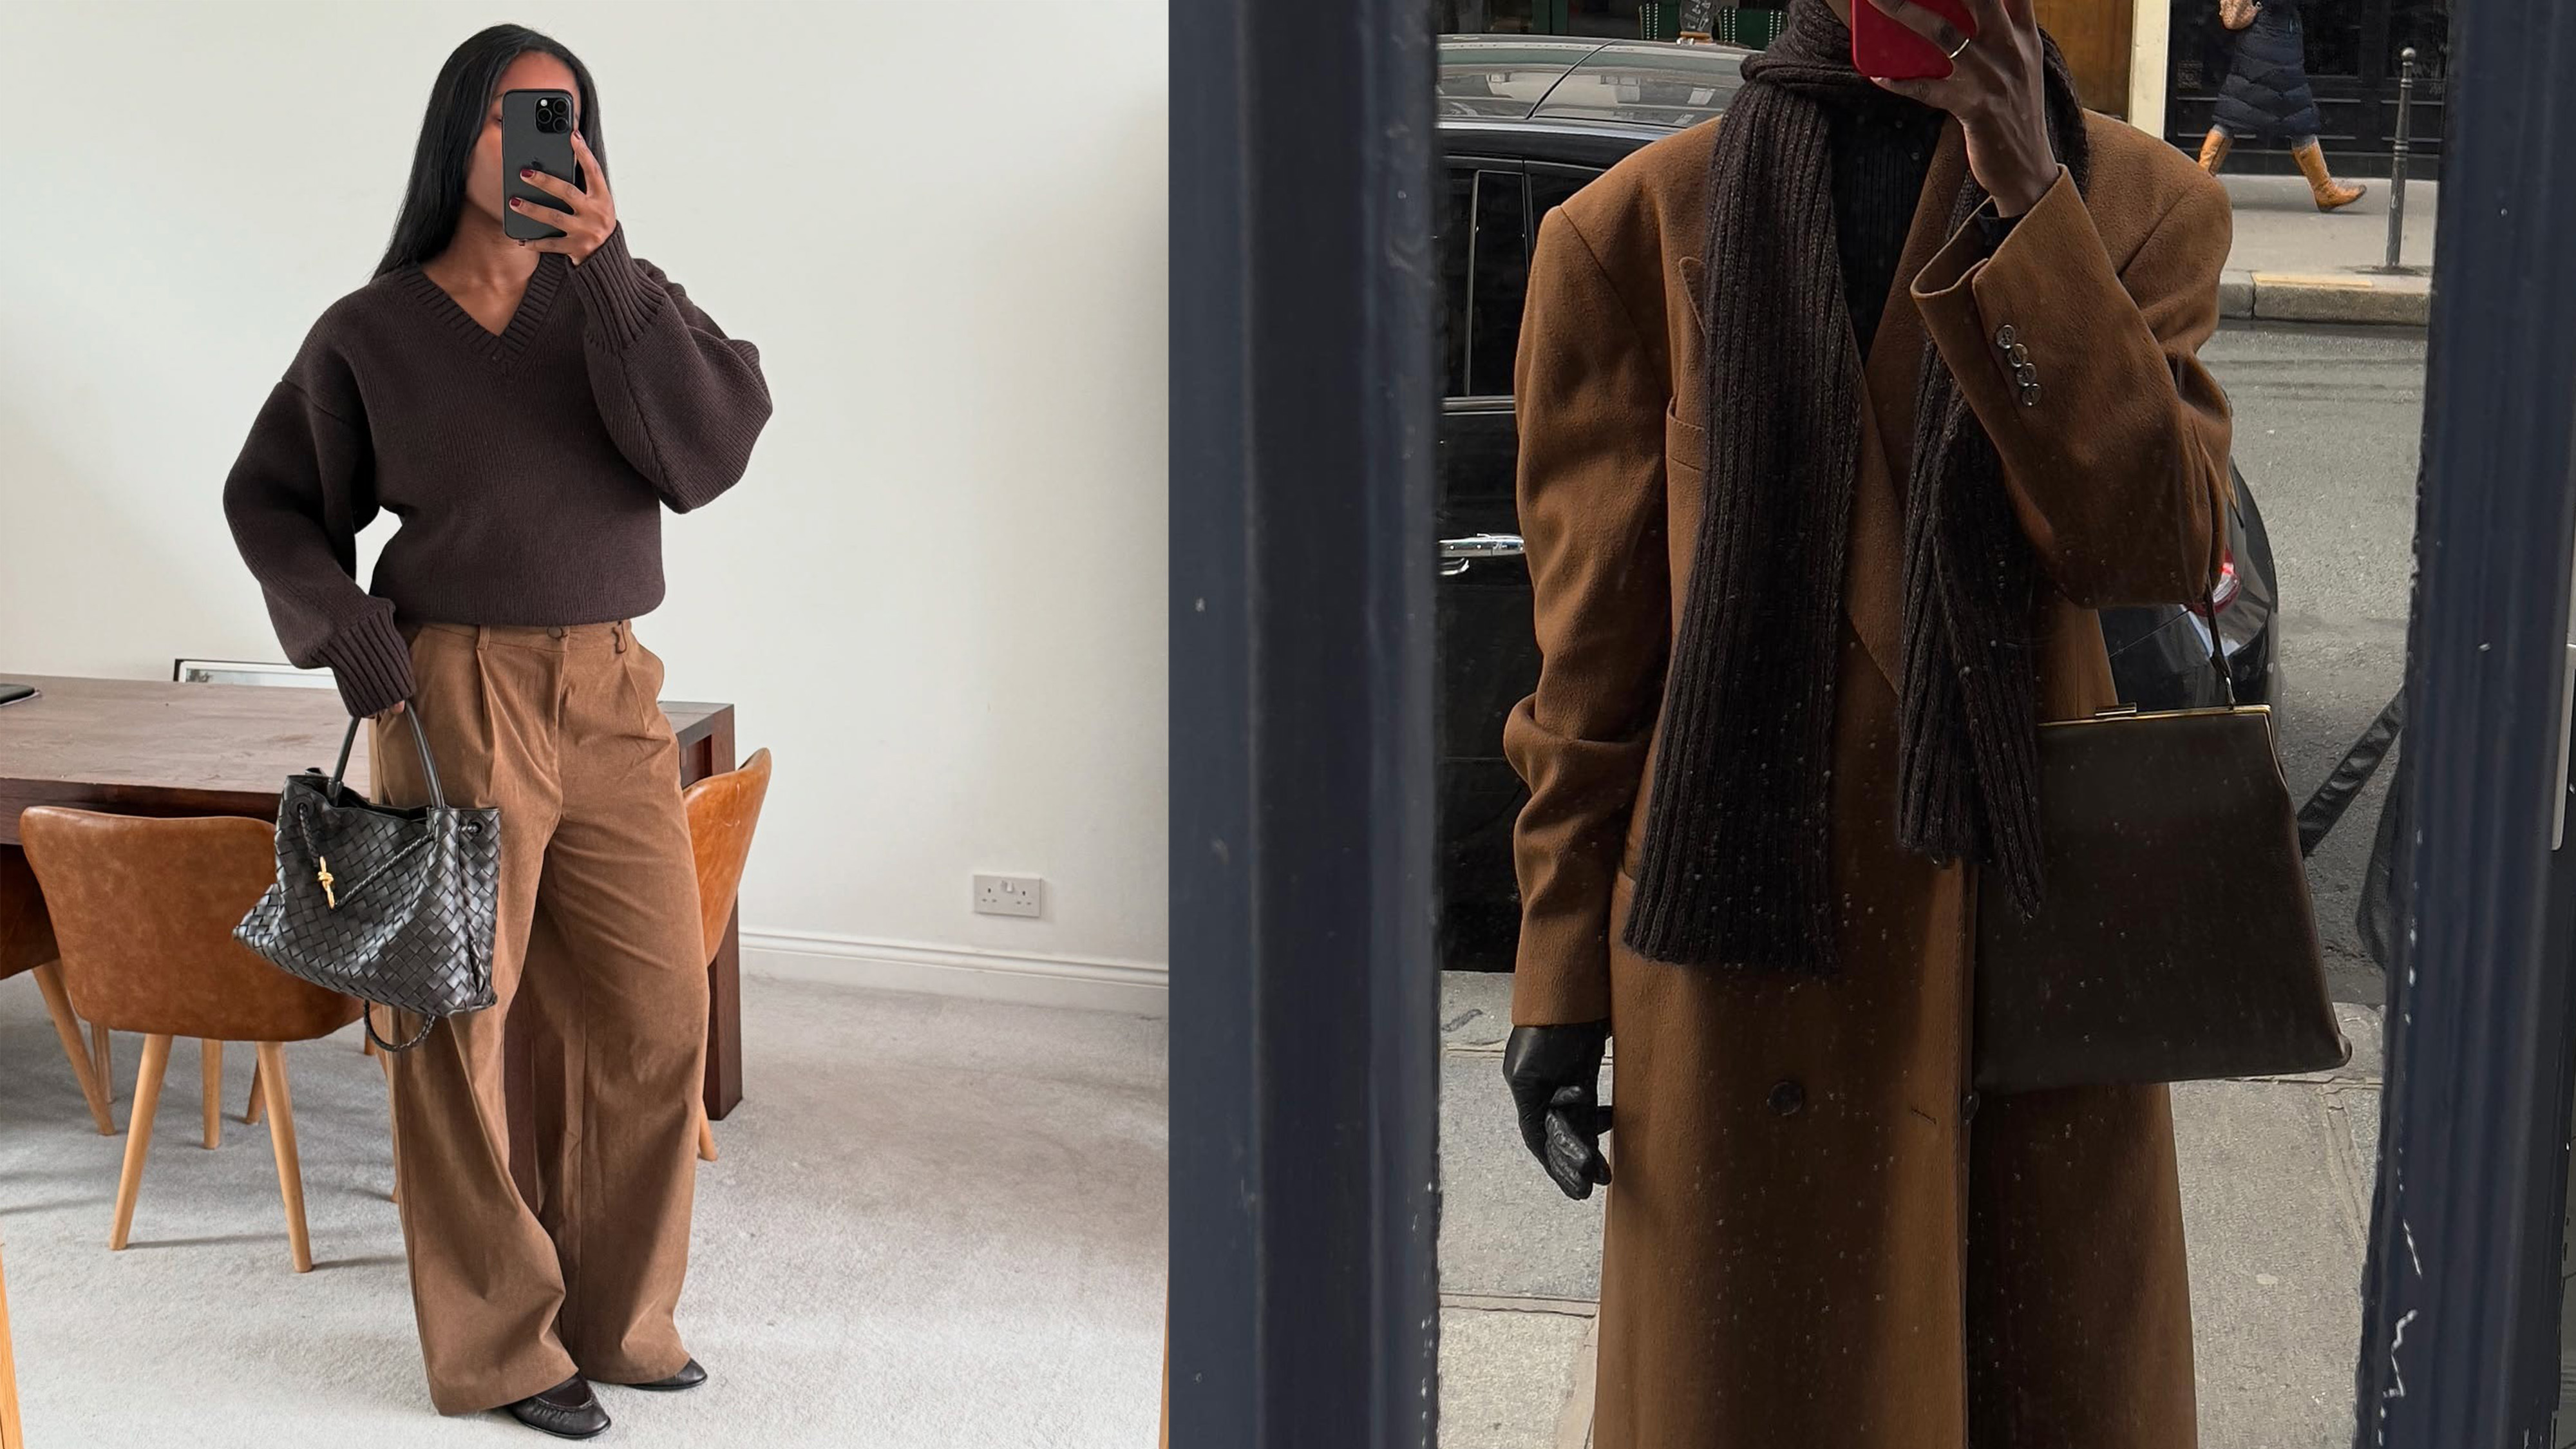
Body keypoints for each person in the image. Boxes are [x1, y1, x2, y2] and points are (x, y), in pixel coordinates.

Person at [1497, 0, 2231, 1443]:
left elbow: (2146, 542)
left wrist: (2032, 199)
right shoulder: (1634, 230)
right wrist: (1558, 978)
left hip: (2020, 958)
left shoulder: (2139, 209)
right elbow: (1593, 664)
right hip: (1743, 960)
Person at [221, 24, 768, 1441]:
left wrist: (611, 271)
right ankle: (499, 1350)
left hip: (612, 690)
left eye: (570, 116)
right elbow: (271, 497)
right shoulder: (372, 332)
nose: (550, 139)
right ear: (459, 134)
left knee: (655, 1014)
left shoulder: (626, 300)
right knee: (455, 1025)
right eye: (521, 115)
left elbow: (705, 458)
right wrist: (339, 625)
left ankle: (620, 1320)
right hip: (451, 694)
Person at [2197, 0, 2369, 211]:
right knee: (2296, 113)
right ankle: (2324, 190)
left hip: (2272, 37)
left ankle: (2198, 186)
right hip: (2270, 40)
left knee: (2239, 112)